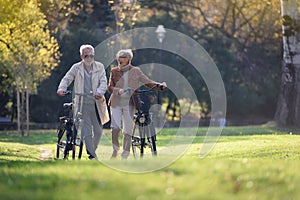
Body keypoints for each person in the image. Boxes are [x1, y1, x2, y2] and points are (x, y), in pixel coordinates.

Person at [108, 49, 167, 159]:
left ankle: (125, 152)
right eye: (119, 57)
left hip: (130, 102)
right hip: (116, 102)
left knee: (128, 129)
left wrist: (159, 85)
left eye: (123, 57)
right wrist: (118, 90)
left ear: (129, 59)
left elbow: (147, 82)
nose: (120, 59)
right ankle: (115, 150)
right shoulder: (114, 71)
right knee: (115, 127)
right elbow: (110, 87)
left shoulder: (136, 71)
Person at [57, 44, 110, 160]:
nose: (89, 58)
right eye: (87, 56)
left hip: (96, 102)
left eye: (92, 56)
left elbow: (103, 82)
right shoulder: (76, 67)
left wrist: (100, 92)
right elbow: (67, 78)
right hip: (82, 102)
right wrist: (61, 88)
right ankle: (92, 154)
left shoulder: (99, 67)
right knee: (86, 129)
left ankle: (92, 149)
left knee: (98, 130)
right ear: (82, 56)